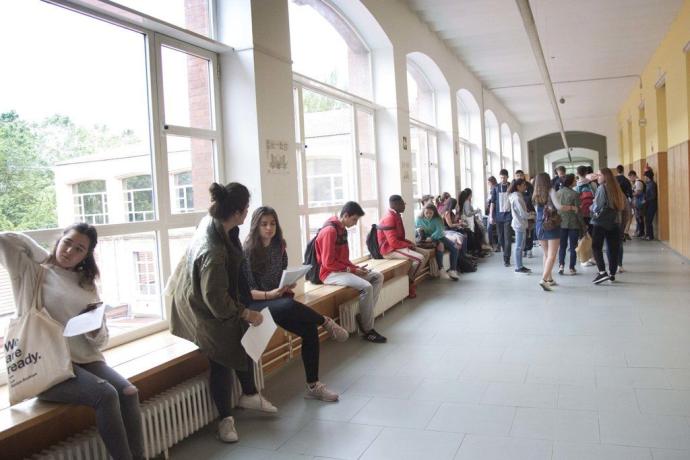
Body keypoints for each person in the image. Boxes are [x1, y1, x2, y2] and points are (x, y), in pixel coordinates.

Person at [0, 224, 144, 460]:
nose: (69, 251)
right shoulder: (32, 272)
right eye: (67, 242)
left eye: (79, 249)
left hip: (83, 360)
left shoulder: (85, 284)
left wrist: (95, 328)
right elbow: (6, 238)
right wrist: (45, 256)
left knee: (128, 392)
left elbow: (101, 341)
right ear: (59, 240)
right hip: (44, 366)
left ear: (86, 256)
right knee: (106, 395)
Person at [169, 182, 277, 444]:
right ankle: (225, 419)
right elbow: (215, 300)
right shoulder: (213, 251)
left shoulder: (218, 223)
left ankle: (250, 394)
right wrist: (246, 313)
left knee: (243, 338)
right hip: (197, 308)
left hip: (205, 297)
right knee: (221, 354)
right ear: (240, 211)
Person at [242, 207, 348, 402]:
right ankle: (324, 320)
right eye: (264, 224)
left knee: (309, 330)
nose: (269, 228)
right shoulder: (247, 251)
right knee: (290, 306)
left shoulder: (279, 246)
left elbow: (279, 279)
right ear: (256, 226)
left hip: (276, 299)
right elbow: (246, 292)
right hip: (254, 303)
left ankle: (313, 386)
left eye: (272, 224)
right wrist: (270, 294)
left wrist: (285, 285)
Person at [316, 201, 386, 343]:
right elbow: (328, 263)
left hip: (341, 270)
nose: (355, 223)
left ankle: (363, 317)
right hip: (328, 274)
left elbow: (344, 259)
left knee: (377, 277)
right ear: (345, 216)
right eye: (354, 219)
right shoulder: (330, 231)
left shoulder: (342, 229)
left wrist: (356, 268)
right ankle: (367, 330)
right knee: (366, 287)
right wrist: (351, 270)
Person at [378, 195, 431, 298]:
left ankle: (410, 280)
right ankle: (409, 283)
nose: (404, 205)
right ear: (396, 205)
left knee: (426, 253)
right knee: (420, 259)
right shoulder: (389, 218)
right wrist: (408, 245)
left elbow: (399, 238)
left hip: (397, 247)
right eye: (403, 203)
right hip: (389, 250)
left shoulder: (396, 215)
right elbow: (393, 243)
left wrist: (410, 244)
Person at [533, 172, 577, 291]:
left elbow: (537, 211)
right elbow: (559, 207)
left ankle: (549, 279)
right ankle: (543, 279)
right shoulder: (551, 191)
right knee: (552, 255)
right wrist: (571, 207)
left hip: (539, 225)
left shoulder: (535, 193)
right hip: (551, 224)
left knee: (546, 254)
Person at [590, 168, 626, 284]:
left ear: (605, 176)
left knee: (596, 246)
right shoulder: (616, 188)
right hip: (614, 221)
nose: (598, 177)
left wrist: (592, 205)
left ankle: (602, 272)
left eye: (600, 175)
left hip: (600, 222)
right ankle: (612, 273)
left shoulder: (602, 188)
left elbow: (598, 206)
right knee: (613, 248)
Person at [415, 203, 460, 280]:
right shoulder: (419, 219)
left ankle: (452, 270)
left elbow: (439, 230)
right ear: (423, 212)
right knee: (440, 246)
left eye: (430, 213)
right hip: (425, 239)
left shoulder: (438, 218)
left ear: (434, 212)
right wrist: (420, 233)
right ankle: (441, 269)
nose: (428, 215)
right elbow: (417, 229)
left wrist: (432, 237)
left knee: (455, 248)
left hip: (438, 236)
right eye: (426, 213)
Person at [556, 174, 583, 275]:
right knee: (573, 246)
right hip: (573, 224)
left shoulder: (557, 193)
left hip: (561, 223)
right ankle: (571, 267)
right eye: (574, 181)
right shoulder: (575, 194)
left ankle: (561, 266)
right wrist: (583, 224)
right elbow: (578, 211)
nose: (576, 182)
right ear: (571, 182)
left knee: (562, 246)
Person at [489, 169, 513, 267]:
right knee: (501, 238)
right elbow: (492, 202)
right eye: (501, 177)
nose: (503, 179)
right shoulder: (496, 188)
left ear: (507, 177)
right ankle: (505, 253)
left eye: (504, 177)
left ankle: (506, 259)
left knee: (507, 237)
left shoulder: (511, 186)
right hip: (498, 216)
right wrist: (491, 216)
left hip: (508, 215)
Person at [508, 179, 531, 273]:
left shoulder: (517, 196)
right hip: (519, 223)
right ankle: (518, 267)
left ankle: (520, 265)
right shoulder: (516, 198)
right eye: (523, 185)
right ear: (518, 186)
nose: (525, 187)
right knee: (518, 246)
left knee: (520, 246)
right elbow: (522, 213)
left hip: (520, 223)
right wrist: (532, 215)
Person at [575, 165, 597, 267]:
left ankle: (583, 259)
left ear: (577, 173)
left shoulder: (576, 186)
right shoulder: (592, 184)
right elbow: (596, 198)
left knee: (582, 236)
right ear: (586, 172)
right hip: (591, 213)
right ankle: (592, 257)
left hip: (580, 214)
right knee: (592, 235)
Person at [515, 170, 535, 258]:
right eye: (517, 175)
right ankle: (522, 249)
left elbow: (533, 197)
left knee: (529, 231)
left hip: (529, 210)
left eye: (521, 175)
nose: (519, 177)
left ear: (524, 176)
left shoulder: (529, 186)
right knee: (521, 233)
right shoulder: (514, 186)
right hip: (519, 213)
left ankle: (529, 248)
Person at [628, 170, 646, 237]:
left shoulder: (638, 182)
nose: (630, 179)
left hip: (640, 203)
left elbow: (638, 192)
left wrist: (631, 194)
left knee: (640, 218)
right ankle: (639, 231)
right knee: (638, 218)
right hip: (637, 203)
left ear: (633, 176)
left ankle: (641, 232)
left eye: (630, 177)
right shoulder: (635, 183)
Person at [643, 170, 658, 240]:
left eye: (645, 176)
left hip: (652, 205)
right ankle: (648, 234)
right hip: (648, 205)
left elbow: (653, 196)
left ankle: (650, 236)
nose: (644, 178)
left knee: (649, 220)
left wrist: (646, 199)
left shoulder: (652, 185)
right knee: (647, 220)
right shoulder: (648, 184)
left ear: (648, 177)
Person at [486, 176, 499, 251]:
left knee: (490, 228)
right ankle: (495, 244)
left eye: (488, 182)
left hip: (493, 211)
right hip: (492, 211)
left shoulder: (494, 189)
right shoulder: (493, 189)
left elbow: (492, 202)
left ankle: (492, 243)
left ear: (491, 182)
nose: (488, 184)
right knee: (494, 228)